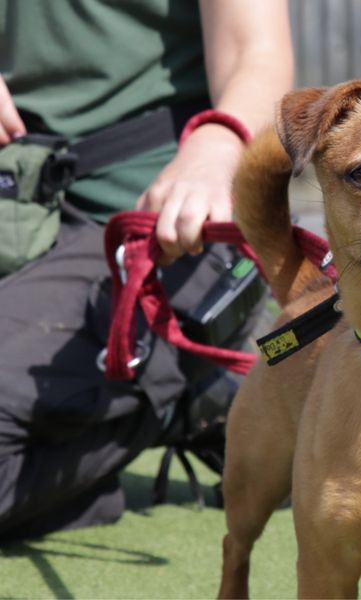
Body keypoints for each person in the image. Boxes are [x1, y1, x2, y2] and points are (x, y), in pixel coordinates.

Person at [0, 0, 294, 540]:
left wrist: (220, 142)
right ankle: (168, 401)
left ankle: (184, 393)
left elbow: (260, 51)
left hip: (158, 230)